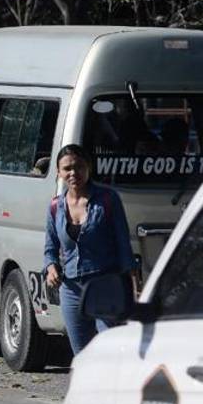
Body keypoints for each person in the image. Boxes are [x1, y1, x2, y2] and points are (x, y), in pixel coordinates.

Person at [43, 144, 137, 355]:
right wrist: (50, 267)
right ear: (58, 172)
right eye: (67, 168)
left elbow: (123, 245)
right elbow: (50, 248)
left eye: (78, 166)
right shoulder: (55, 206)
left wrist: (133, 286)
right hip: (71, 290)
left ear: (89, 168)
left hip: (105, 285)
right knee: (82, 357)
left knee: (109, 351)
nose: (73, 173)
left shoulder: (107, 200)